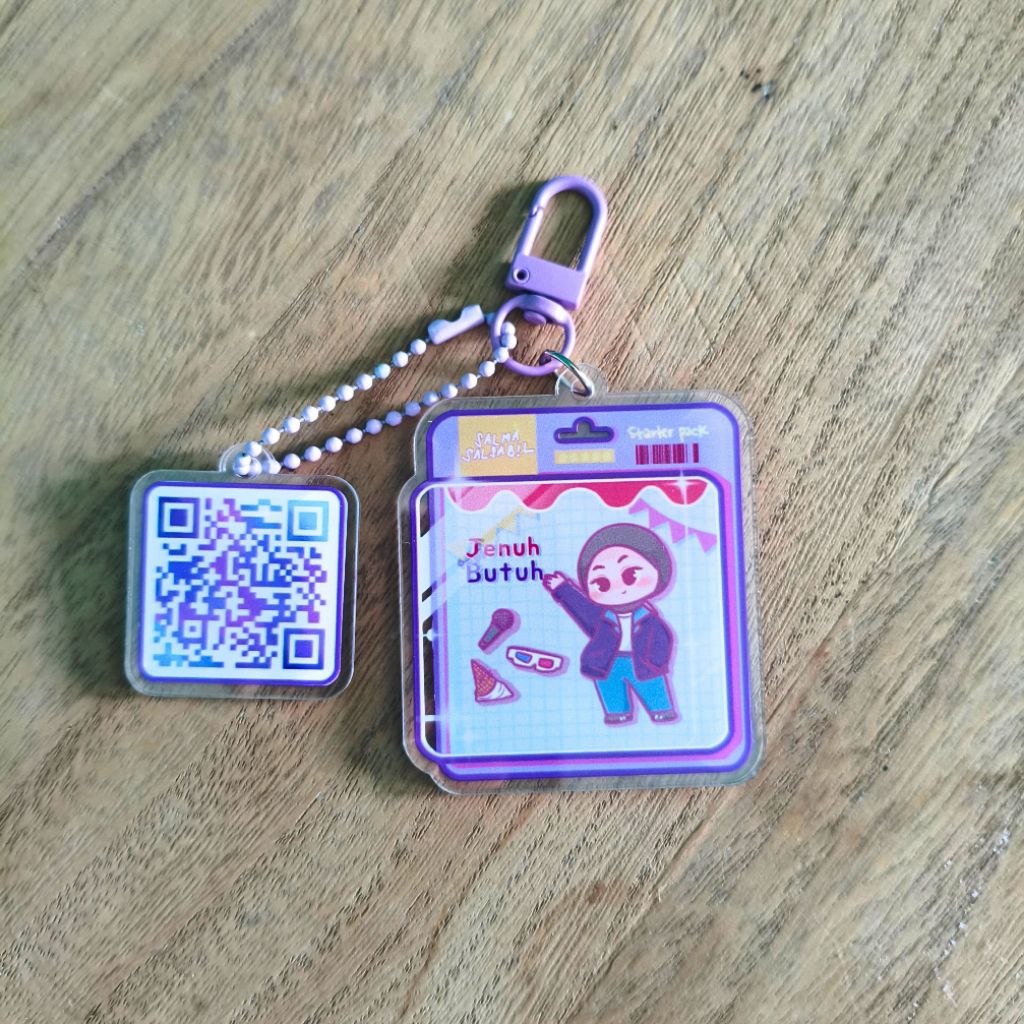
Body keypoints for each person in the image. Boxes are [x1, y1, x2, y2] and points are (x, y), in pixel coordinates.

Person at [543, 523, 677, 725]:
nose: (619, 589)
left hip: (643, 661)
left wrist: (655, 662)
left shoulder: (649, 619)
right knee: (610, 686)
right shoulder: (603, 618)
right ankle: (617, 713)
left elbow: (662, 640)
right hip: (606, 661)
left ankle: (661, 709)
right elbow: (582, 609)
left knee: (651, 684)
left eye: (631, 575)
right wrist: (563, 589)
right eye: (602, 583)